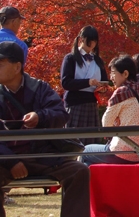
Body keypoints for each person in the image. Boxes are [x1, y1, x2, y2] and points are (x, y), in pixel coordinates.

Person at [0, 42, 90, 217]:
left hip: (42, 155)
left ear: (17, 66)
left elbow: (61, 114)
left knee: (79, 171)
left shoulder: (39, 88)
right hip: (6, 158)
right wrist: (11, 161)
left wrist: (40, 116)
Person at [82, 55, 139, 165]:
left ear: (125, 74)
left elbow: (106, 124)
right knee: (88, 163)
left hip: (122, 151)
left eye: (113, 73)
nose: (111, 77)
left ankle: (87, 182)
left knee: (84, 151)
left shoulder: (122, 92)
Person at [60, 25, 109, 144]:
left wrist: (102, 88)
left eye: (94, 41)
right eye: (89, 41)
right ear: (81, 39)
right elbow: (66, 82)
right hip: (75, 103)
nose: (92, 44)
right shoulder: (70, 58)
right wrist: (87, 82)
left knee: (91, 141)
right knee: (74, 141)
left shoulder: (98, 60)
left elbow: (104, 80)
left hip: (91, 103)